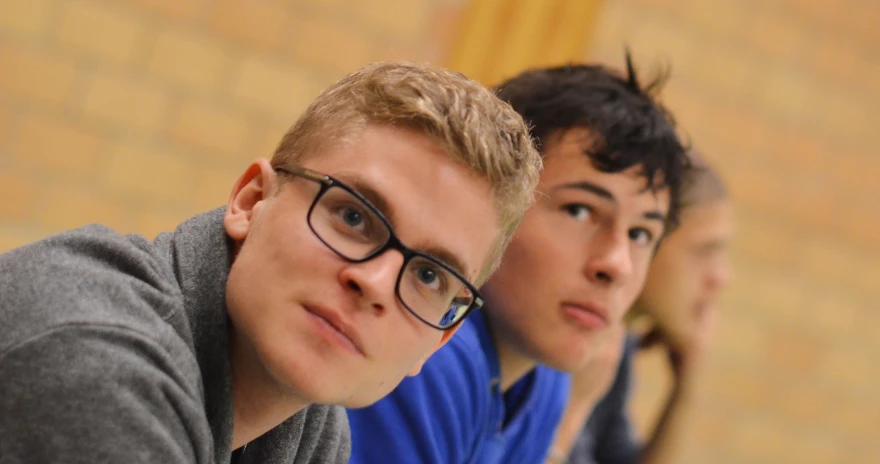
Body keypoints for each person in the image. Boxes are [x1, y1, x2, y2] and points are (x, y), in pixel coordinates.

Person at [0, 61, 541, 464]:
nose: (374, 282)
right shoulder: (95, 362)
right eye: (354, 217)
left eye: (429, 275)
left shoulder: (310, 427)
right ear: (251, 201)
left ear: (439, 339)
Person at [347, 57, 690, 464]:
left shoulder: (544, 379)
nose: (616, 265)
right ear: (493, 206)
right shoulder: (427, 354)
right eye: (580, 211)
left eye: (640, 234)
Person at [551, 154, 733, 464]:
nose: (721, 278)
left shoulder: (617, 345)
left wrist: (685, 388)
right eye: (704, 251)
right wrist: (568, 416)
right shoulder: (557, 337)